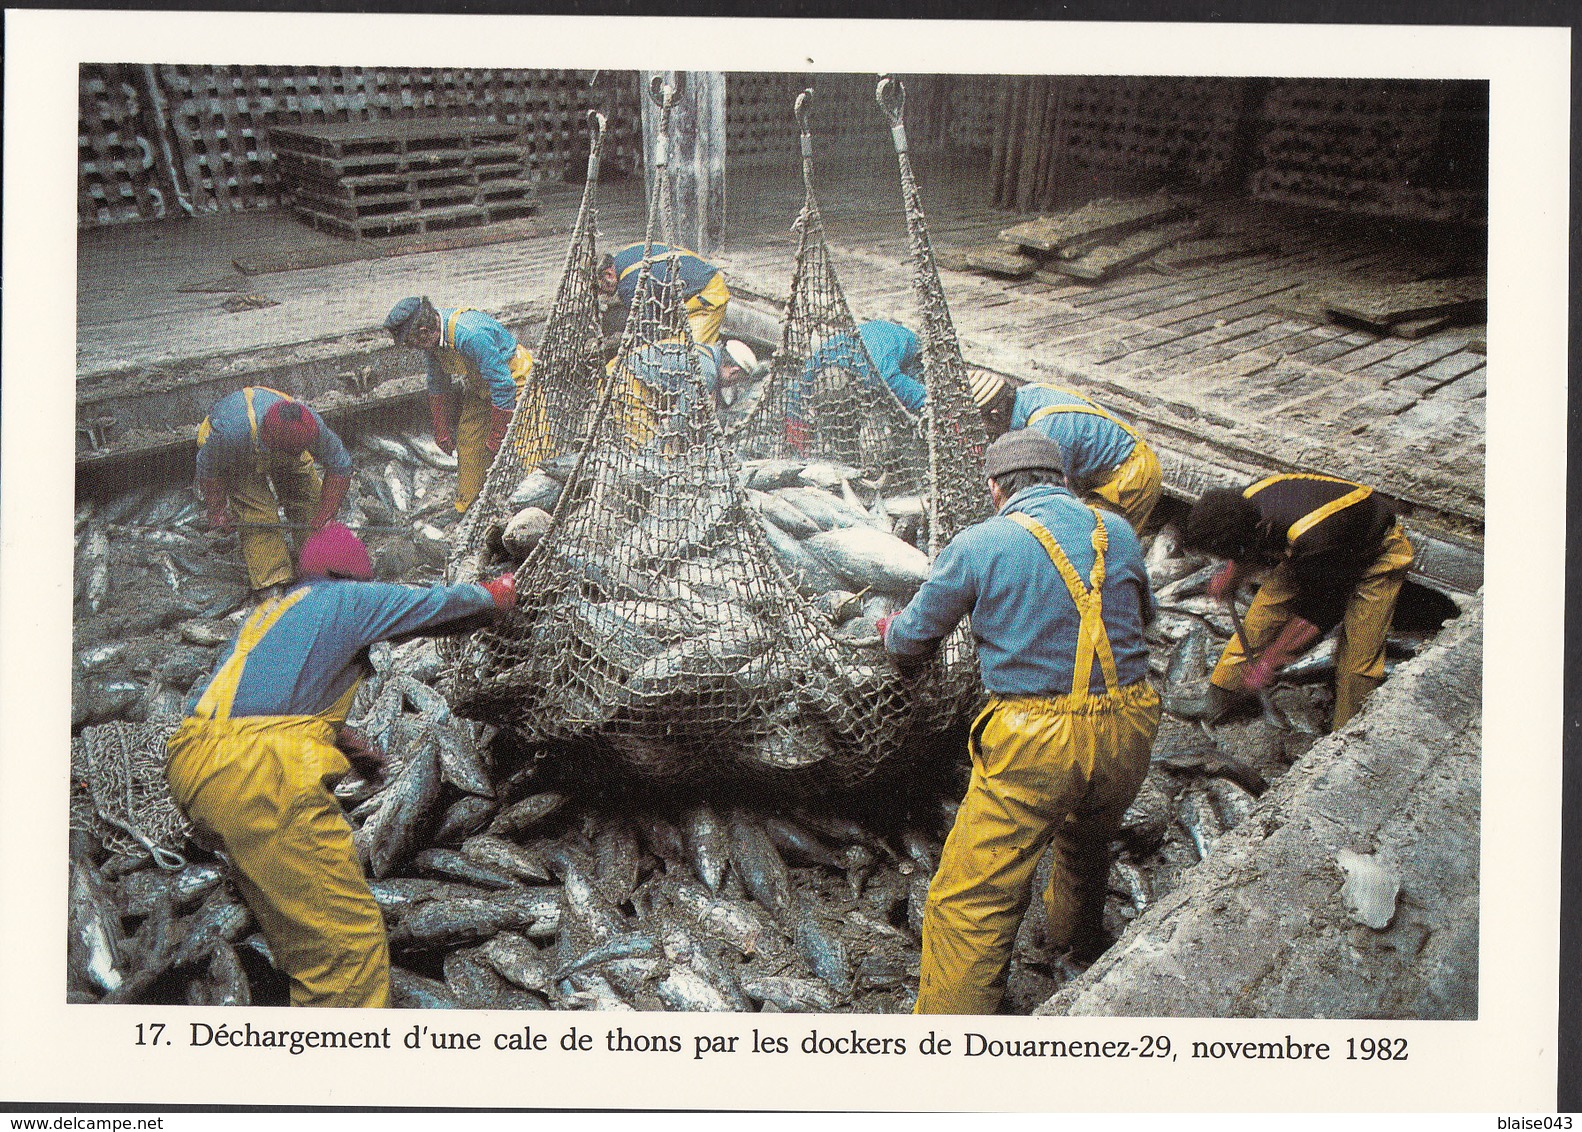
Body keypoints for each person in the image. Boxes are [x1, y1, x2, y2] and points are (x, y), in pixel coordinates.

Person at [163, 523, 517, 1008]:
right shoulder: (343, 598)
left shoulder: (271, 613)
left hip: (196, 765)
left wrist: (348, 742)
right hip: (257, 775)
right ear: (348, 573)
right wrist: (494, 596)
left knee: (297, 924)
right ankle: (338, 1068)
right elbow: (432, 606)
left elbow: (255, 701)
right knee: (348, 949)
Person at [878, 430, 1160, 1014]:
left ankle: (949, 1038)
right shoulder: (1121, 532)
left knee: (972, 899)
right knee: (1086, 839)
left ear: (995, 488)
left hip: (1039, 737)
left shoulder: (980, 543)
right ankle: (1071, 943)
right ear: (1063, 480)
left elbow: (912, 641)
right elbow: (1142, 616)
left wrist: (891, 632)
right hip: (1133, 721)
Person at [1180, 474, 1414, 731]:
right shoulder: (1243, 505)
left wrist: (1271, 660)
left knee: (1358, 660)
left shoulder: (1316, 541)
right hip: (1318, 544)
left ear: (1259, 532)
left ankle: (1344, 737)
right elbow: (1243, 549)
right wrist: (1230, 576)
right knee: (1259, 619)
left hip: (1375, 551)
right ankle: (1218, 698)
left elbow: (1319, 614)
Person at [384, 296, 550, 514]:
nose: (411, 348)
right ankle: (468, 505)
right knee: (469, 443)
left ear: (423, 332)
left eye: (410, 343)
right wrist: (440, 427)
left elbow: (504, 387)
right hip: (481, 385)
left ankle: (544, 505)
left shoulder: (470, 335)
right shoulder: (433, 338)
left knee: (533, 447)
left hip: (516, 380)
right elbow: (437, 383)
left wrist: (497, 435)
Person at [196, 387, 353, 595]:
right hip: (237, 455)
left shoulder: (310, 424)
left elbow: (340, 465)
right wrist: (217, 510)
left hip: (280, 442)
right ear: (272, 442)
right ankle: (272, 582)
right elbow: (209, 469)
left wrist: (327, 512)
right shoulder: (230, 434)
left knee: (310, 500)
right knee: (258, 514)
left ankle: (319, 563)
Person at [969, 371, 1163, 534]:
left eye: (983, 426)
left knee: (1095, 547)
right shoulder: (1027, 394)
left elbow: (1047, 503)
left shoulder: (1045, 434)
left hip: (1130, 475)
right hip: (1103, 468)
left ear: (995, 415)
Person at [608, 336, 758, 448]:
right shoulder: (707, 373)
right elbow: (679, 421)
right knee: (656, 457)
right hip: (626, 384)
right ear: (734, 371)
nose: (732, 385)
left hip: (622, 369)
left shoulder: (706, 352)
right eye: (737, 380)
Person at [599, 242, 731, 347]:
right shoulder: (623, 255)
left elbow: (647, 332)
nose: (602, 293)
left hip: (709, 294)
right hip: (694, 284)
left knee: (690, 355)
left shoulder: (629, 286)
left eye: (599, 288)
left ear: (609, 274)